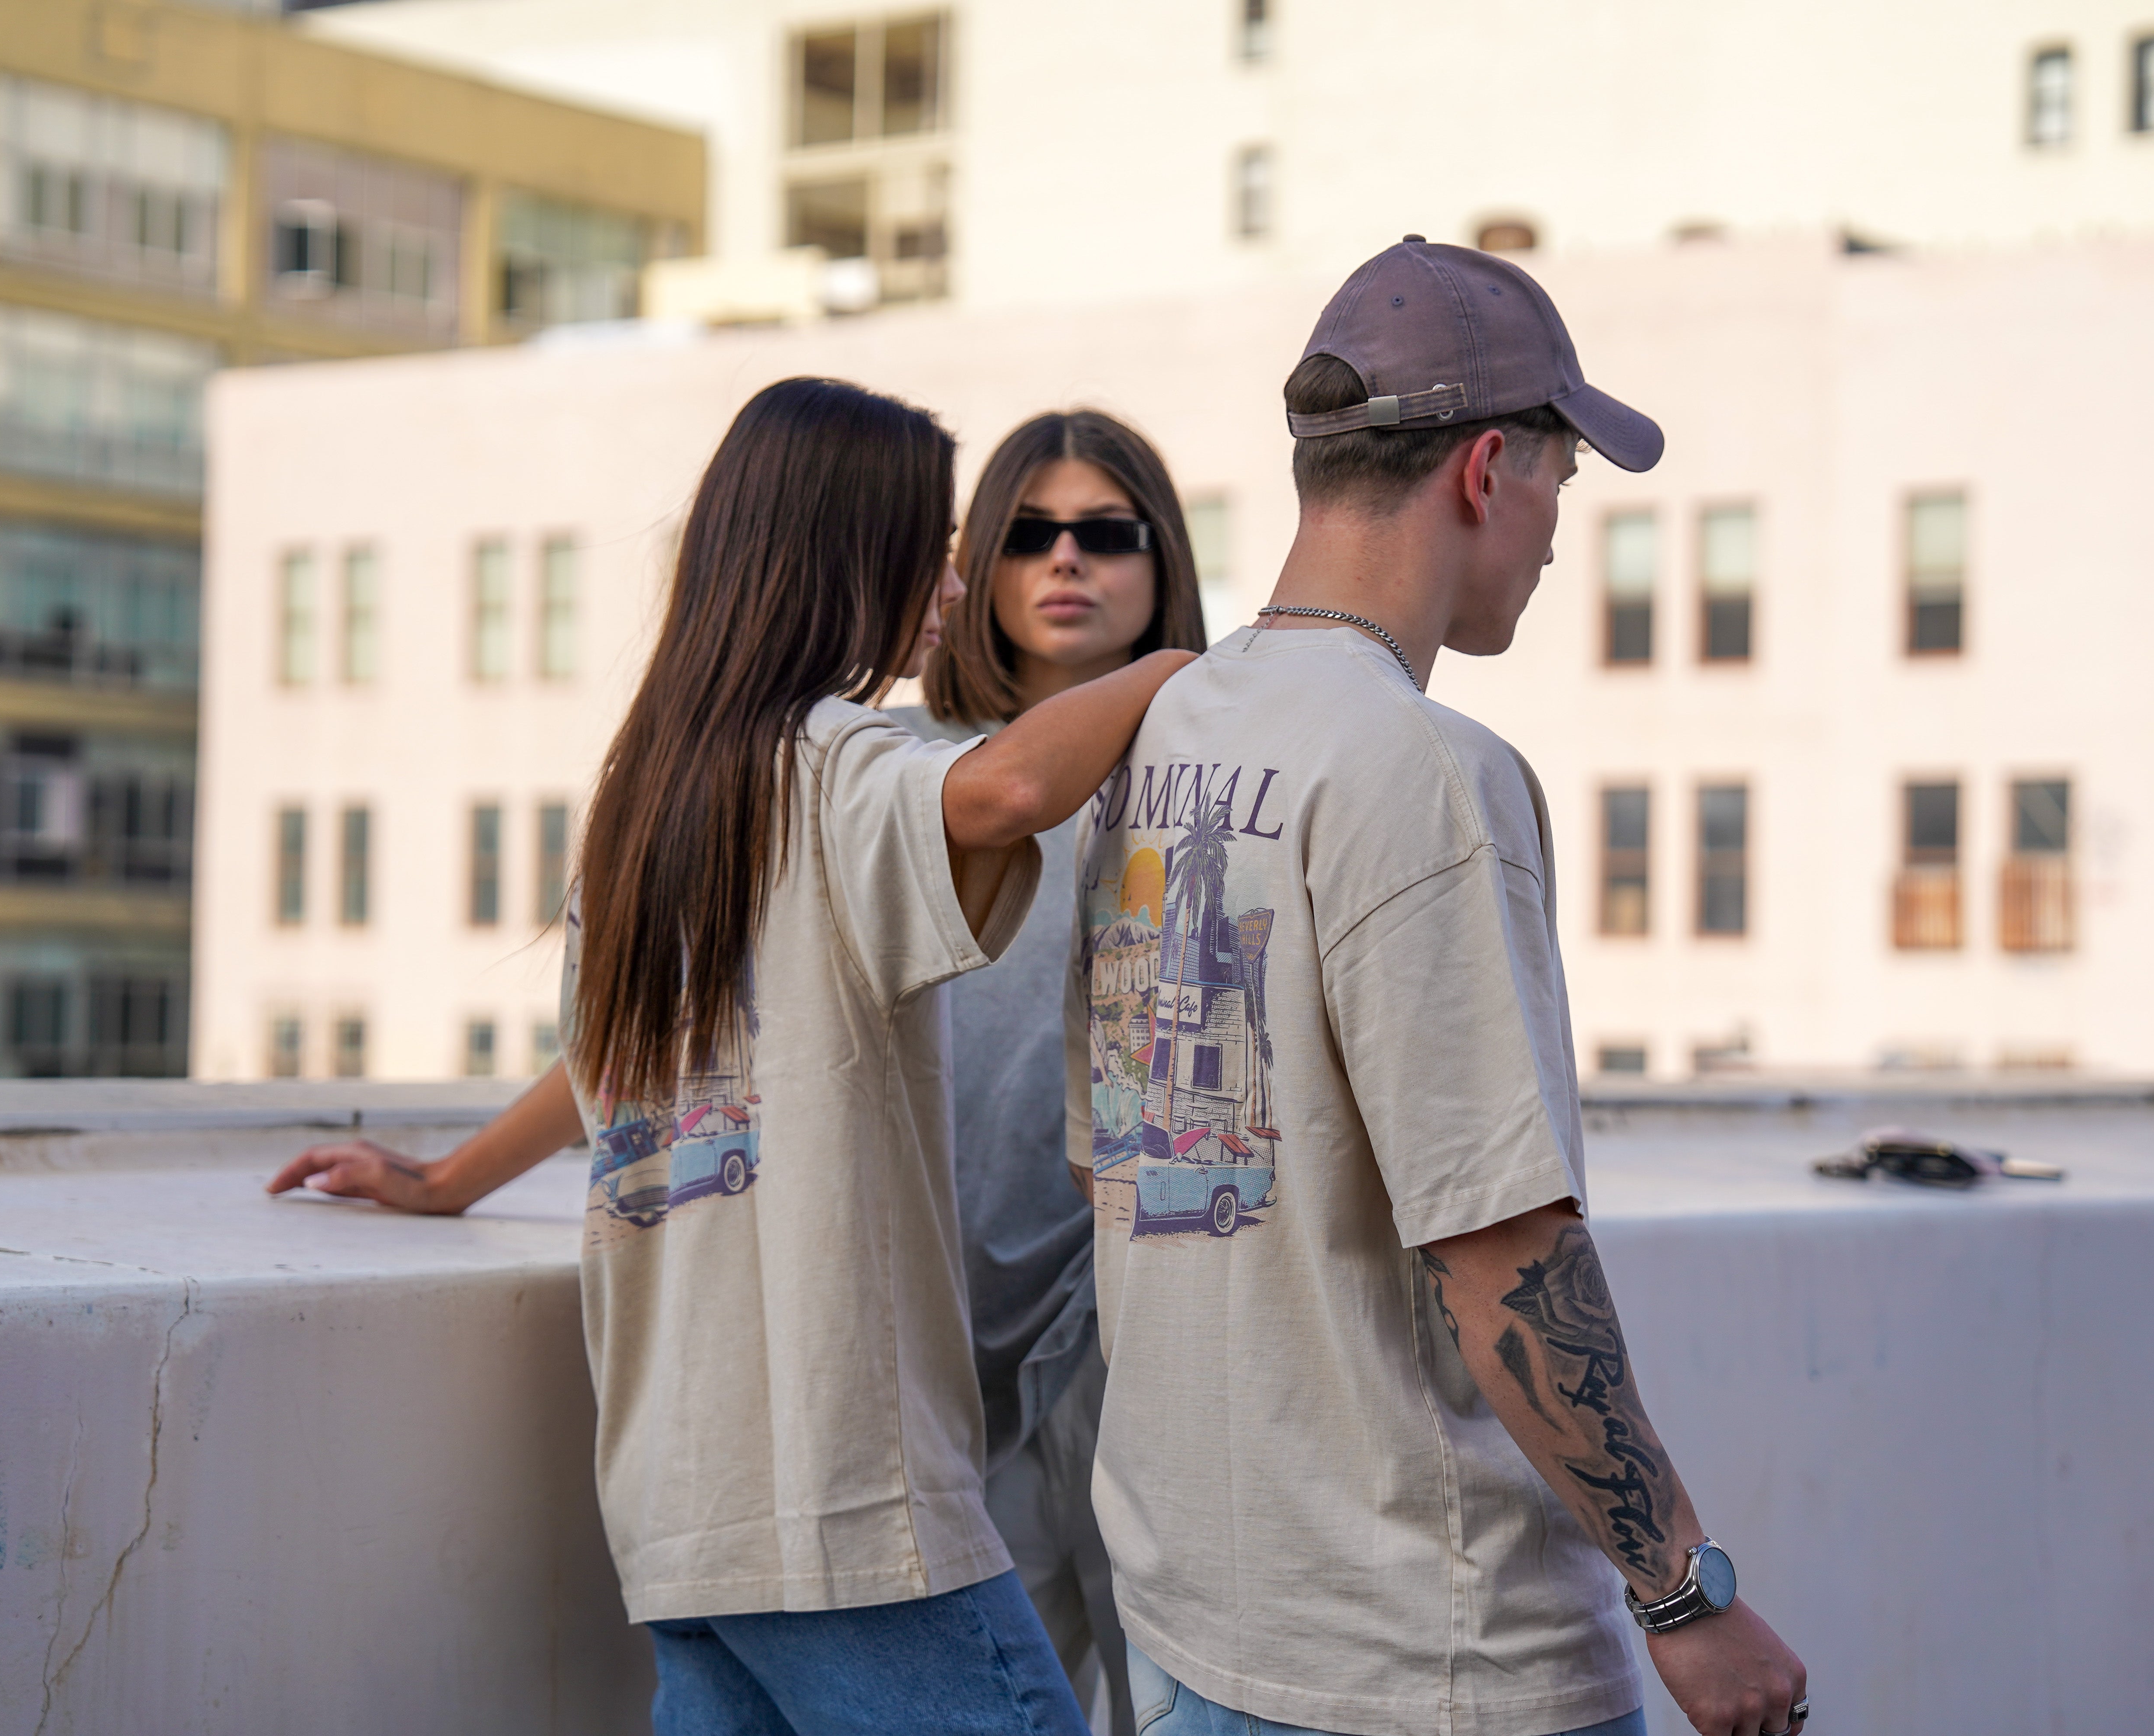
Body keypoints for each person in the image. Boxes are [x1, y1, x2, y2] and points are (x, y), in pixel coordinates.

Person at [267, 377, 1193, 1736]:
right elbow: (1003, 791)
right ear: (845, 554)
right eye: (931, 546)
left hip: (676, 1507)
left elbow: (614, 1067)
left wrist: (447, 1182)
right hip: (845, 1502)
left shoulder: (649, 797)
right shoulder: (837, 763)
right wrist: (1179, 666)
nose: (947, 588)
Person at [1067, 240, 1810, 1736]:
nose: (1553, 535)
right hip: (1420, 1657)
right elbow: (1502, 1250)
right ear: (1486, 470)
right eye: (1561, 484)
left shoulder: (1158, 733)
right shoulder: (1430, 772)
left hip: (1188, 1618)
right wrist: (1687, 1596)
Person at [894, 409, 1210, 1736]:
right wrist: (452, 1178)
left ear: (1160, 554)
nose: (1066, 562)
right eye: (1028, 535)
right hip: (946, 1350)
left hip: (1146, 1325)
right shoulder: (901, 775)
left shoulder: (1216, 770)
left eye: (1104, 532)